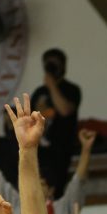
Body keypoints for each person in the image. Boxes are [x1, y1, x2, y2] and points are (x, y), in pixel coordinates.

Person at [30, 48, 83, 193]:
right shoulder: (39, 92)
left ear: (63, 66)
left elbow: (65, 110)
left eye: (54, 64)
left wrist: (52, 85)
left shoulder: (71, 89)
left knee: (55, 190)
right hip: (38, 150)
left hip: (60, 149)